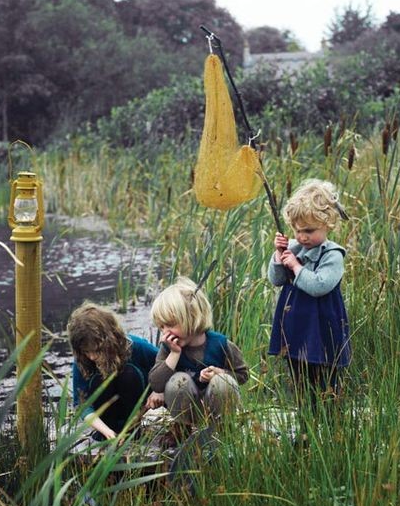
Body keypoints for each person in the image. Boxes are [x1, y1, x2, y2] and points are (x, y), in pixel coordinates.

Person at [268, 179, 351, 424]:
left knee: (326, 378)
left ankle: (331, 424)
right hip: (296, 327)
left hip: (323, 329)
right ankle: (307, 423)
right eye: (298, 230)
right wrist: (278, 256)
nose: (302, 237)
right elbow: (277, 279)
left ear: (327, 225)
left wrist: (295, 265)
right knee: (300, 377)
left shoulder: (333, 255)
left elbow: (319, 286)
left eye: (309, 231)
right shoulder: (294, 247)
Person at [149, 276, 248, 441]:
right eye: (161, 327)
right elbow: (156, 383)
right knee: (178, 380)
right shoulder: (168, 348)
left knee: (223, 381)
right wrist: (174, 355)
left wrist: (220, 373)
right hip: (187, 408)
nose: (165, 333)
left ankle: (223, 426)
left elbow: (243, 375)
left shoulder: (221, 344)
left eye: (171, 324)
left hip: (215, 404)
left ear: (193, 318)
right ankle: (182, 426)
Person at [68, 302, 162, 440]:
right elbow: (82, 405)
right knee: (100, 380)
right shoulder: (82, 361)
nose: (92, 357)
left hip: (136, 407)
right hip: (105, 422)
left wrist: (158, 391)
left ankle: (132, 428)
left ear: (111, 340)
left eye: (97, 350)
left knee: (128, 373)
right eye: (87, 351)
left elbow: (166, 366)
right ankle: (110, 431)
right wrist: (106, 431)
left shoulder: (137, 347)